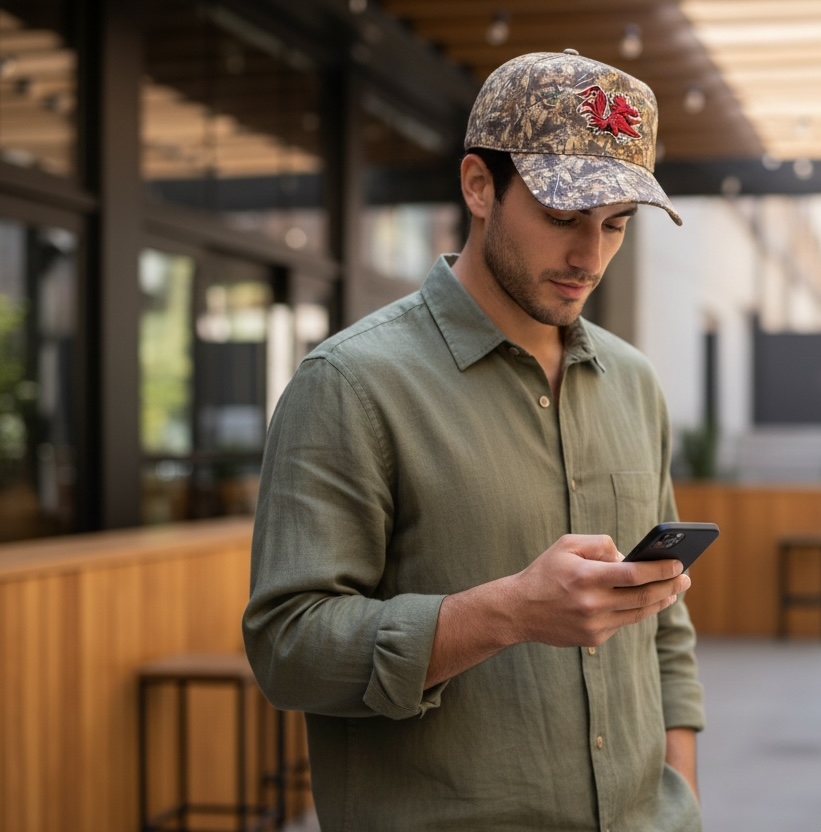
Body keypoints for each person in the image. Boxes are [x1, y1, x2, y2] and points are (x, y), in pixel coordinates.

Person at [243, 49, 704, 831]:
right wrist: (509, 612)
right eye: (562, 218)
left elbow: (666, 632)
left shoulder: (634, 382)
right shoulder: (350, 385)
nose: (589, 256)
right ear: (479, 185)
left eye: (615, 225)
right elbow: (289, 649)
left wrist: (681, 798)